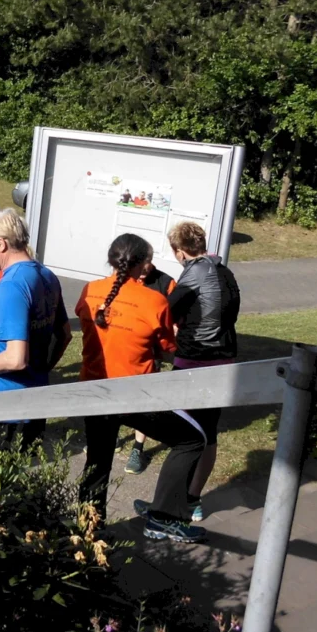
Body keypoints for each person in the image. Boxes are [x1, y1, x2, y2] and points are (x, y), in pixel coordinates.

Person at [76, 233, 208, 544]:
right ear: (143, 263)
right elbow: (166, 346)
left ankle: (87, 531)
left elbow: (88, 328)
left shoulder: (89, 291)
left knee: (97, 460)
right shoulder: (155, 300)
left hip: (93, 391)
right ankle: (165, 517)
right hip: (135, 394)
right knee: (192, 439)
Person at [0, 209, 73, 447]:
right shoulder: (47, 275)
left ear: (1, 243)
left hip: (2, 407)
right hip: (34, 401)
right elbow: (65, 335)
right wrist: (40, 370)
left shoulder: (12, 285)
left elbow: (15, 359)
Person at [166, 221, 240, 520]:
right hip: (225, 359)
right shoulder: (224, 270)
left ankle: (172, 502)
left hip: (194, 358)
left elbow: (165, 312)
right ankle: (192, 497)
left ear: (179, 251)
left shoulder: (191, 275)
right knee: (209, 431)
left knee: (184, 430)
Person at [124, 253, 179, 475]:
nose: (143, 268)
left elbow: (175, 319)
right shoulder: (125, 279)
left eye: (146, 263)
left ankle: (138, 448)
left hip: (150, 354)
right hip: (124, 351)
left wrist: (172, 332)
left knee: (143, 402)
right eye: (139, 264)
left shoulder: (165, 283)